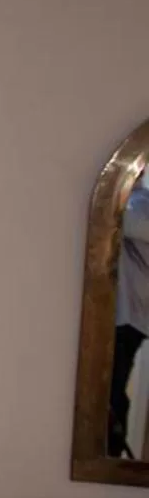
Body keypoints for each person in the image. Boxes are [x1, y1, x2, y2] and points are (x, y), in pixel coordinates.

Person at [111, 182, 149, 457]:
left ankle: (111, 450)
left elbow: (115, 218)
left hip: (128, 318)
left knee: (111, 391)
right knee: (113, 387)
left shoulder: (139, 204)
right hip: (127, 316)